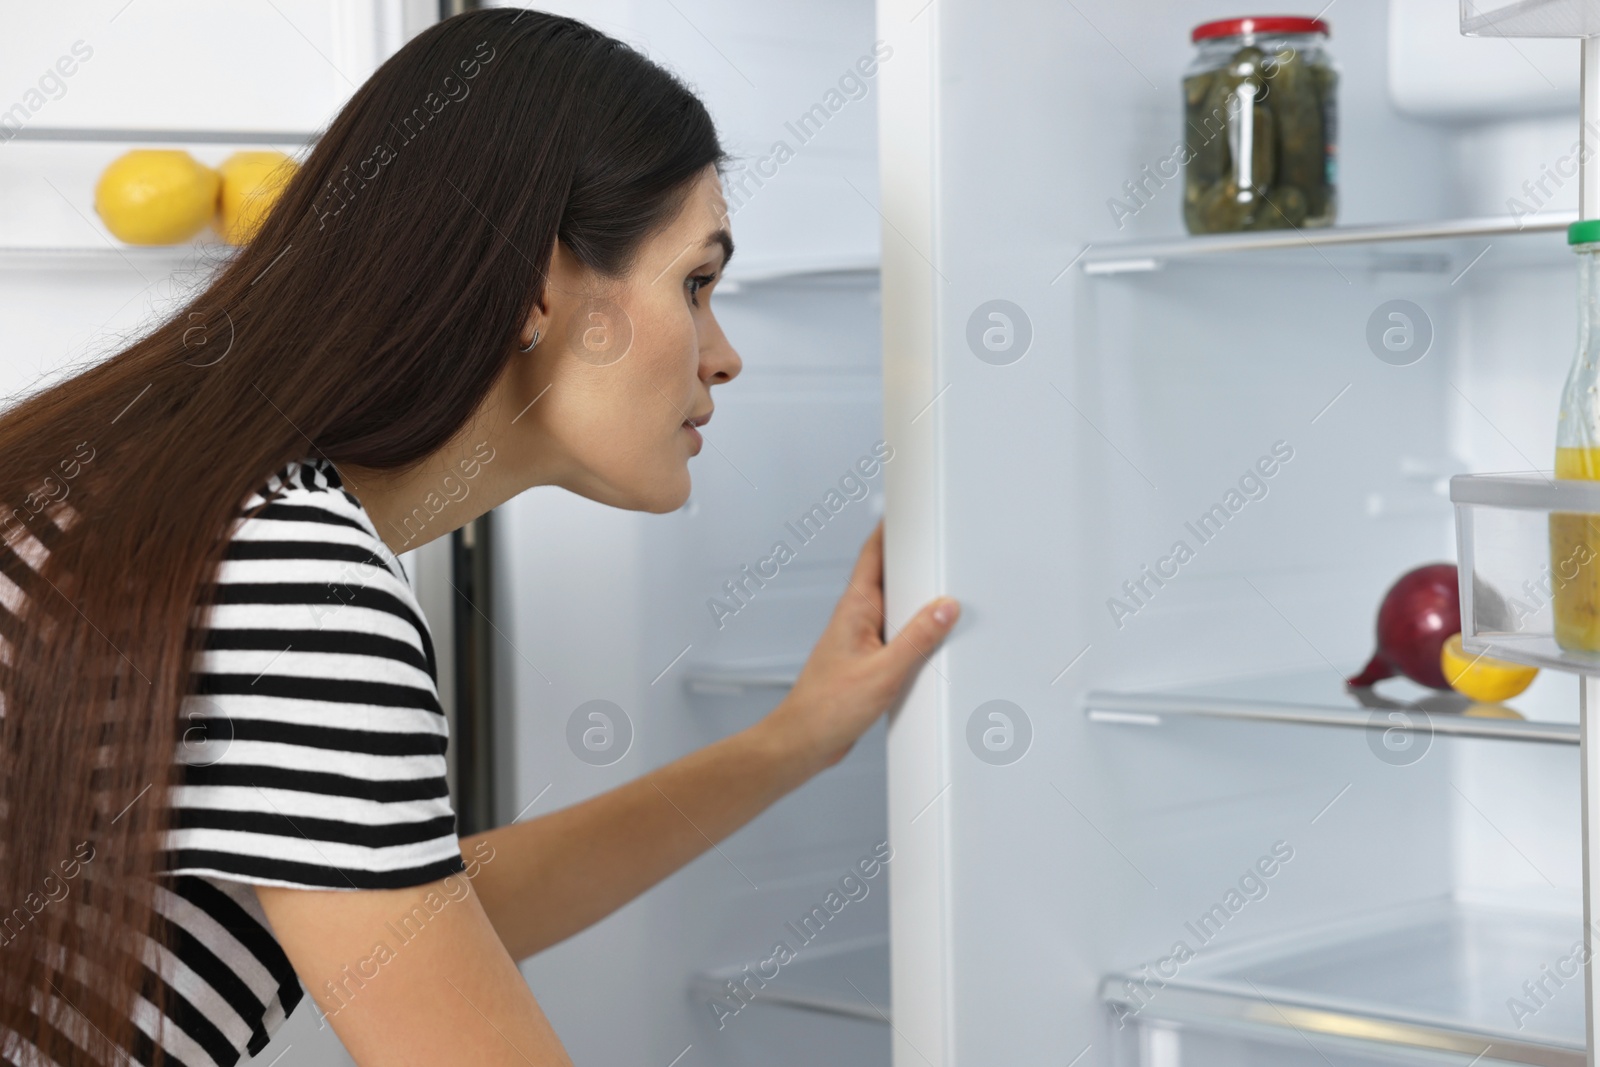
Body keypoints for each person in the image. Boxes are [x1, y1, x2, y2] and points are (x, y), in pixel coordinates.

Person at [0, 8, 958, 1066]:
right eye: (696, 281)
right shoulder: (303, 587)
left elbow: (401, 911)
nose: (722, 355)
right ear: (536, 287)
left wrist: (790, 743)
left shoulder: (158, 483)